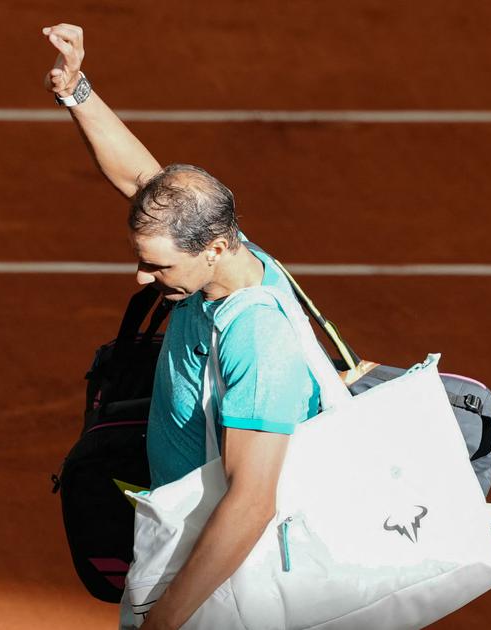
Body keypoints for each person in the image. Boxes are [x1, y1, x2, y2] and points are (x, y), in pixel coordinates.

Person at [41, 23, 323, 629]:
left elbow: (251, 504)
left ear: (215, 247)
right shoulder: (216, 253)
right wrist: (78, 91)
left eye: (158, 265)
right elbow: (145, 182)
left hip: (224, 576)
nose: (143, 279)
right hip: (186, 539)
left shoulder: (255, 337)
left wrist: (168, 619)